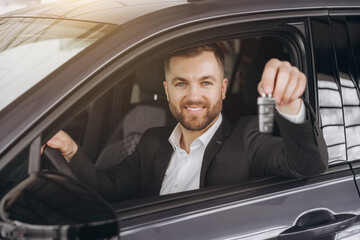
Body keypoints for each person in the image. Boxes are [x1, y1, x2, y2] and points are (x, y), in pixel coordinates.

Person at [46, 44, 328, 202]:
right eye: (181, 83)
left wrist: (290, 105)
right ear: (167, 90)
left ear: (223, 88)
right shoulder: (151, 141)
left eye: (206, 82)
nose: (193, 95)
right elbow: (106, 187)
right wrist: (71, 149)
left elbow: (308, 166)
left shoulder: (246, 136)